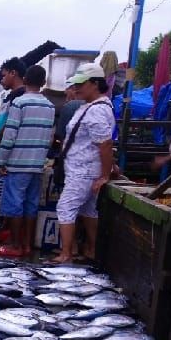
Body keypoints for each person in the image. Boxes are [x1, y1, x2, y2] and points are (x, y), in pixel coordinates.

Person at [52, 63, 115, 264]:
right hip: (82, 168)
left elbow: (105, 144)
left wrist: (104, 175)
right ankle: (91, 249)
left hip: (85, 170)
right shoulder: (89, 106)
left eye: (81, 84)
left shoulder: (96, 110)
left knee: (65, 208)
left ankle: (66, 253)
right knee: (88, 210)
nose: (76, 88)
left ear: (95, 84)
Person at [0, 65, 56, 257]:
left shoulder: (19, 103)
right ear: (43, 83)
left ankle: (15, 244)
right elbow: (49, 137)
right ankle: (28, 245)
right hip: (37, 164)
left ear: (26, 80)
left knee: (14, 204)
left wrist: (1, 161)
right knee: (31, 205)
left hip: (17, 163)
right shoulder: (50, 106)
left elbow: (10, 135)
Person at [0, 57, 27, 216]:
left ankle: (3, 230)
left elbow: (10, 124)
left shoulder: (21, 96)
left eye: (4, 74)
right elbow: (0, 120)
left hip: (6, 155)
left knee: (5, 198)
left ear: (14, 73)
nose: (1, 78)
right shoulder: (8, 96)